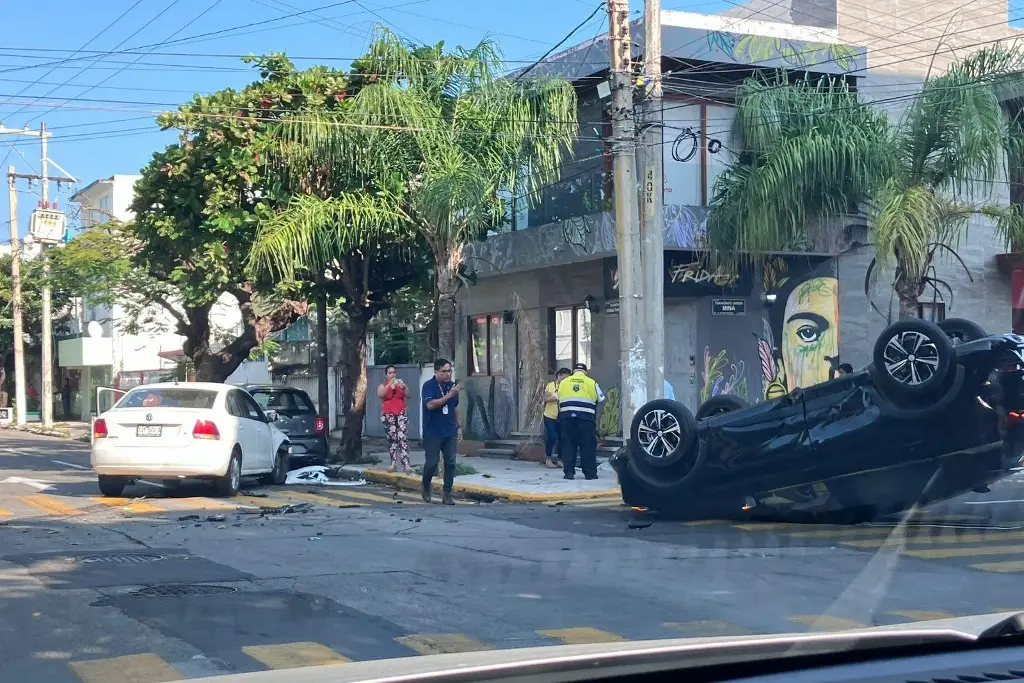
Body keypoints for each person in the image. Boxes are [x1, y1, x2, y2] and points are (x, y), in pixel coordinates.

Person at [421, 358, 462, 504]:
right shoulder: (429, 386)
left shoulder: (452, 386)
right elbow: (430, 405)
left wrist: (459, 426)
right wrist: (448, 395)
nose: (447, 374)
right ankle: (426, 486)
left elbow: (455, 407)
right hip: (432, 431)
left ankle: (447, 494)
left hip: (449, 430)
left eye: (449, 371)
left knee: (450, 462)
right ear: (436, 371)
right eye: (444, 371)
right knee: (432, 463)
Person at [556, 362, 605, 480]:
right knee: (587, 446)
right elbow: (601, 398)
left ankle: (569, 473)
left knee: (568, 445)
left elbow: (558, 397)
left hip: (567, 419)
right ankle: (590, 474)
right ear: (585, 372)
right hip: (586, 420)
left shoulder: (564, 382)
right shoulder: (591, 382)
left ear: (573, 371)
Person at [377, 365, 410, 474]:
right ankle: (393, 462)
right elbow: (380, 394)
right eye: (390, 373)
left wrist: (404, 387)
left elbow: (409, 395)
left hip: (400, 413)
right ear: (386, 375)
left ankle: (405, 463)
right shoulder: (383, 385)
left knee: (402, 438)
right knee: (392, 439)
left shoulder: (400, 384)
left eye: (394, 372)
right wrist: (389, 386)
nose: (392, 375)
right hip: (388, 414)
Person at [542, 368, 571, 469]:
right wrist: (558, 397)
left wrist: (554, 396)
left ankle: (560, 459)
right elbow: (546, 399)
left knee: (562, 438)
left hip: (563, 416)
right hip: (550, 415)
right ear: (559, 375)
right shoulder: (550, 385)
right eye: (564, 377)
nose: (565, 379)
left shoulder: (568, 386)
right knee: (551, 436)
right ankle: (548, 459)